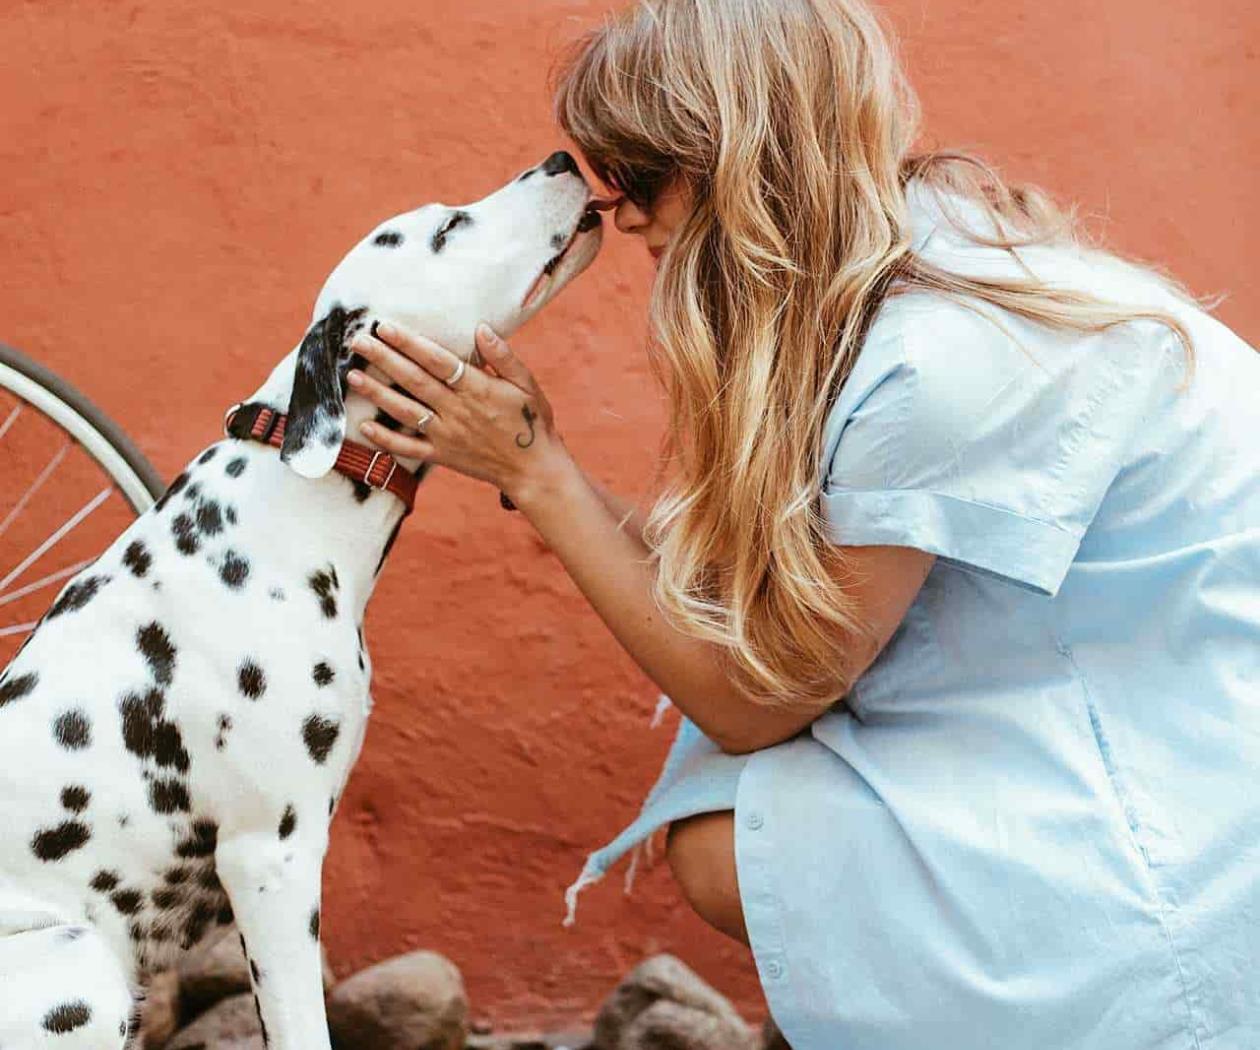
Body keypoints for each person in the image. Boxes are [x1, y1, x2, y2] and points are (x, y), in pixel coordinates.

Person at [344, 0, 1260, 1046]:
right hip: (1116, 699)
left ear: (740, 156)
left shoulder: (939, 358)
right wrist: (536, 456)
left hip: (1191, 791)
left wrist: (535, 472)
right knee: (741, 813)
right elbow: (750, 600)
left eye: (640, 172)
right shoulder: (908, 262)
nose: (619, 214)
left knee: (733, 837)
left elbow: (756, 700)